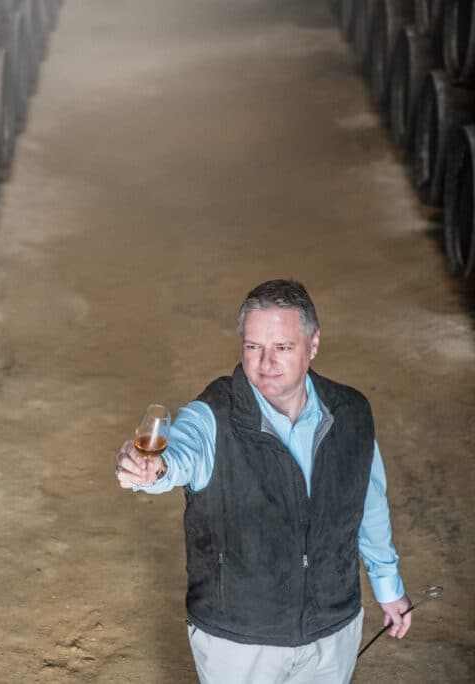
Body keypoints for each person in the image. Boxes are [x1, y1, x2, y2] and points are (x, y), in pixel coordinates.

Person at [115, 279, 411, 683]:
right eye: (253, 346)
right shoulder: (213, 416)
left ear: (313, 345)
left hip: (332, 632)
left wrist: (388, 586)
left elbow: (369, 503)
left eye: (283, 348)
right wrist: (153, 469)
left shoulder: (353, 414)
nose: (265, 362)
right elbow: (180, 453)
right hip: (238, 642)